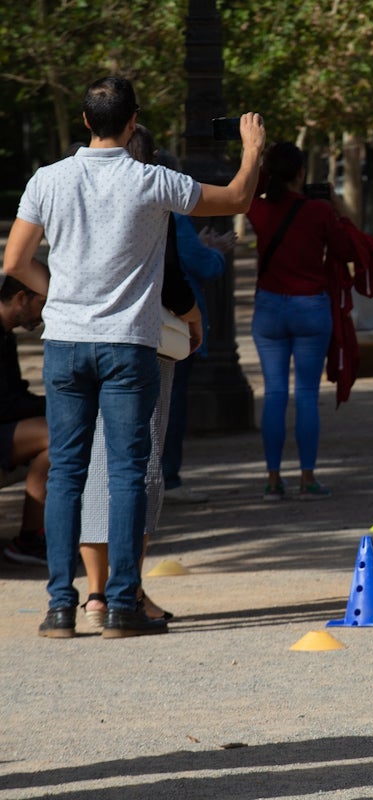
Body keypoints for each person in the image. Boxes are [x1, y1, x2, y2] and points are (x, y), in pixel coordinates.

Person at [3, 76, 266, 638]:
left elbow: (15, 260)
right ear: (133, 121)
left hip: (66, 344)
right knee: (126, 474)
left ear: (83, 120)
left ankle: (59, 606)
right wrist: (251, 150)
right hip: (128, 343)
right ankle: (122, 604)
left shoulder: (47, 180)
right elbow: (237, 199)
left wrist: (57, 294)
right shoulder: (153, 182)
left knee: (67, 473)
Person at [77, 124, 202, 627]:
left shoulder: (68, 185)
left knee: (90, 466)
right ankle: (129, 593)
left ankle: (91, 596)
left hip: (77, 341)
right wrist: (193, 319)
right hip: (138, 341)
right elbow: (170, 275)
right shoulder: (151, 192)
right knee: (139, 468)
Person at [248, 142, 358, 500]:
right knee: (307, 395)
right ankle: (308, 477)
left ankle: (272, 478)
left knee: (275, 393)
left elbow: (249, 187)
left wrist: (264, 170)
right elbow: (347, 250)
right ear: (300, 173)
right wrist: (336, 207)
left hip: (269, 308)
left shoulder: (259, 208)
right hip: (310, 306)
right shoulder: (318, 212)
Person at [158, 150, 235, 505]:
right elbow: (193, 263)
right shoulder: (171, 207)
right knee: (169, 406)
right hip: (170, 324)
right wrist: (216, 253)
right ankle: (168, 478)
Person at [0, 276, 49, 566]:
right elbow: (6, 404)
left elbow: (15, 393)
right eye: (41, 304)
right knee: (58, 435)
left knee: (61, 435)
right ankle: (29, 539)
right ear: (21, 298)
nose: (45, 314)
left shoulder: (6, 335)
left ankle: (32, 535)